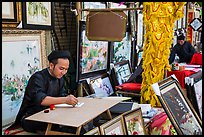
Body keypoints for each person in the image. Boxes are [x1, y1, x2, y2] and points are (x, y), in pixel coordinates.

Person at [14, 50, 79, 134]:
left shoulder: (60, 78)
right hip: (31, 117)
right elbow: (42, 100)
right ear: (51, 65)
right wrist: (65, 100)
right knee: (60, 126)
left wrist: (70, 100)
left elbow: (62, 95)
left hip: (50, 113)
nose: (64, 72)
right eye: (61, 68)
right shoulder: (37, 78)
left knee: (73, 123)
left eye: (66, 69)